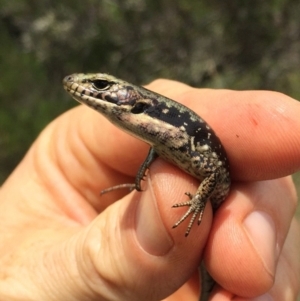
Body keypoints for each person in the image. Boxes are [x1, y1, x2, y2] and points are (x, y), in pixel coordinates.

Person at [0, 79, 299, 301]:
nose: (85, 86)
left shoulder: (167, 126)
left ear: (135, 102)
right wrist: (142, 172)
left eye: (101, 86)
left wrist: (197, 202)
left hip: (216, 205)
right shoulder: (157, 136)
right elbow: (158, 147)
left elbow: (212, 171)